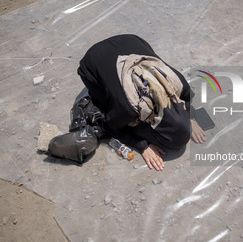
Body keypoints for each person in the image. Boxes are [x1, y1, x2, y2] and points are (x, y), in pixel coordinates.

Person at [49, 34, 205, 170]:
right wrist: (143, 146)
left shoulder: (179, 85)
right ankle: (102, 79)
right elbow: (111, 127)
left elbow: (185, 101)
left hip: (130, 40)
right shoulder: (130, 109)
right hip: (92, 59)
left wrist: (190, 117)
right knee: (104, 103)